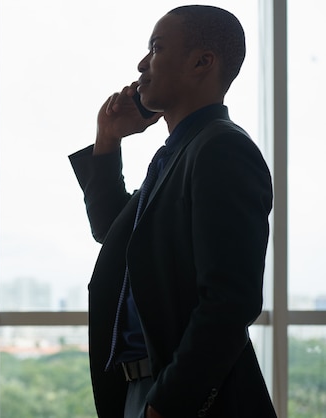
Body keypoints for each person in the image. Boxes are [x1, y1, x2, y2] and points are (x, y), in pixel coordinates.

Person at [69, 5, 277, 418]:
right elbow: (111, 232)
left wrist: (167, 404)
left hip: (182, 398)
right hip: (145, 388)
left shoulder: (221, 148)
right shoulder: (176, 155)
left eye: (156, 48)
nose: (142, 63)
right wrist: (107, 139)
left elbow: (230, 303)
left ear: (203, 62)